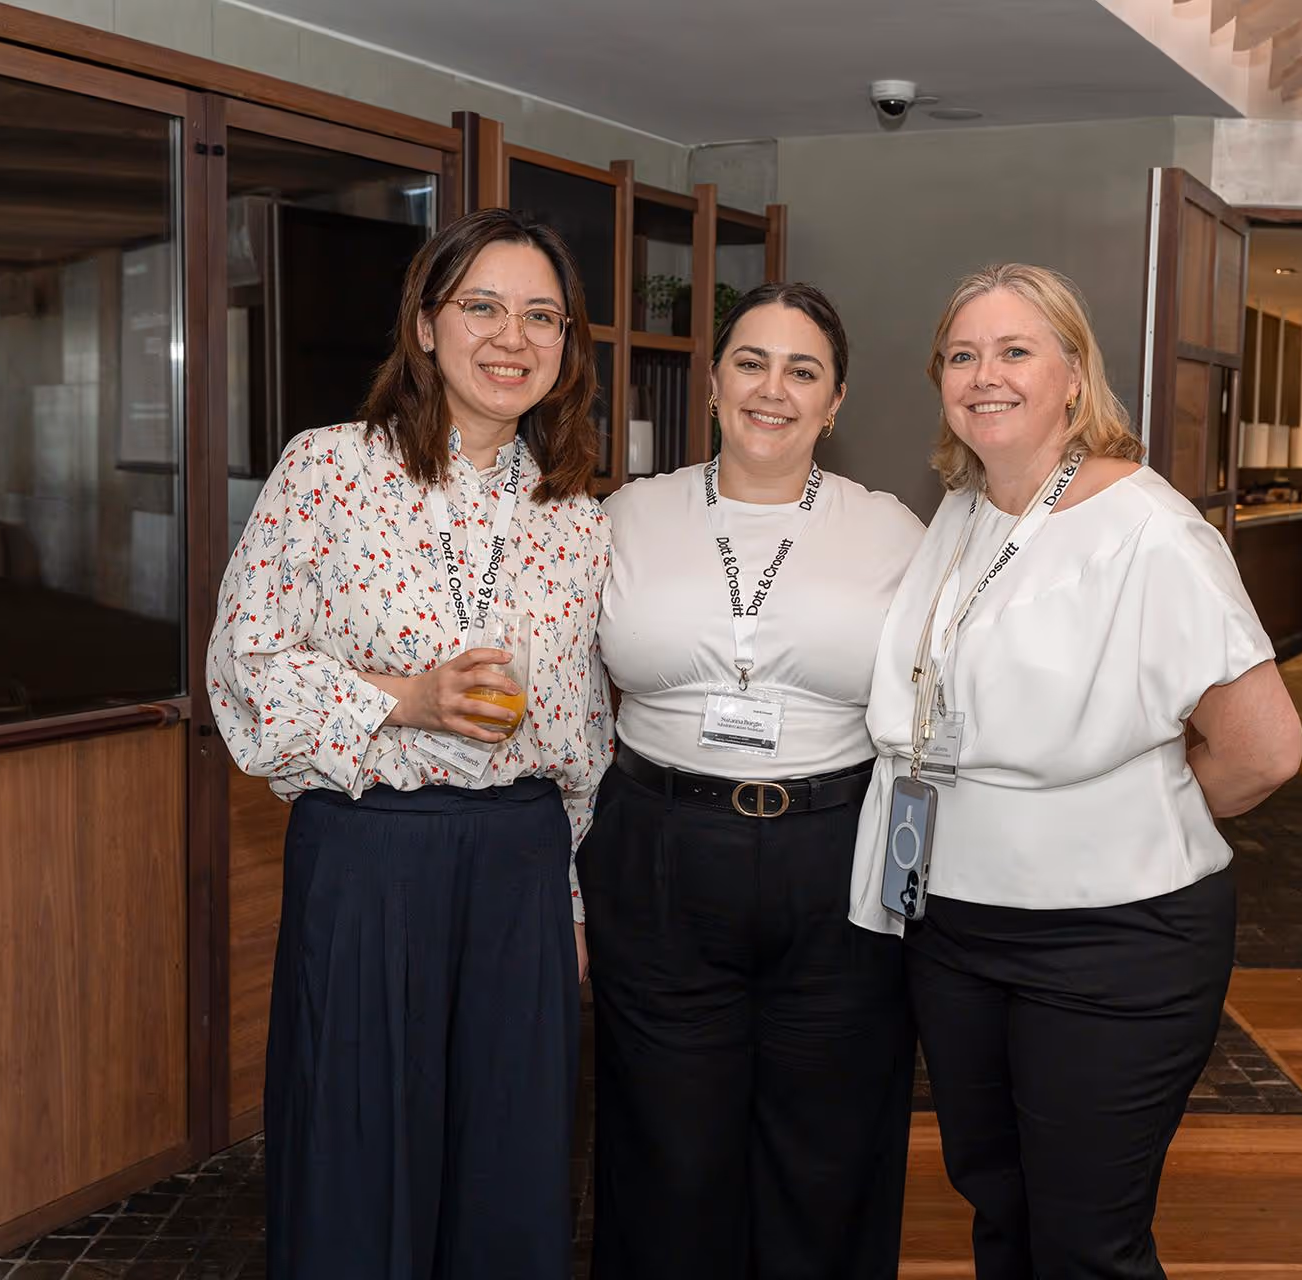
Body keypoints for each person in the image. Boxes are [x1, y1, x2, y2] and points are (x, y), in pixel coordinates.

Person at [850, 263, 1302, 1280]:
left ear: (1073, 376)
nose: (985, 374)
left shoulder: (1152, 533)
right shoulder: (965, 511)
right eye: (962, 354)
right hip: (957, 926)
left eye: (1016, 350)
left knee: (1086, 1241)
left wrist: (1119, 813)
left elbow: (1264, 749)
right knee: (999, 1205)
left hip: (1112, 944)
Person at [207, 209, 612, 1280]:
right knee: (357, 1144)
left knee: (511, 1157)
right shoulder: (329, 469)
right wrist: (410, 699)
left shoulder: (577, 514)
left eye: (542, 316)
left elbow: (585, 731)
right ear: (426, 325)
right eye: (481, 305)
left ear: (566, 347)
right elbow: (246, 669)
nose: (511, 337)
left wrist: (569, 898)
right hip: (370, 853)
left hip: (524, 862)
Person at [583, 282, 924, 1279]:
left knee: (829, 1146)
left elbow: (927, 724)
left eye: (802, 369)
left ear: (836, 400)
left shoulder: (894, 529)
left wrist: (914, 884)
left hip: (838, 855)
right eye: (751, 361)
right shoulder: (626, 516)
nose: (772, 389)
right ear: (713, 379)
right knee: (665, 1145)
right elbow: (564, 692)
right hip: (658, 848)